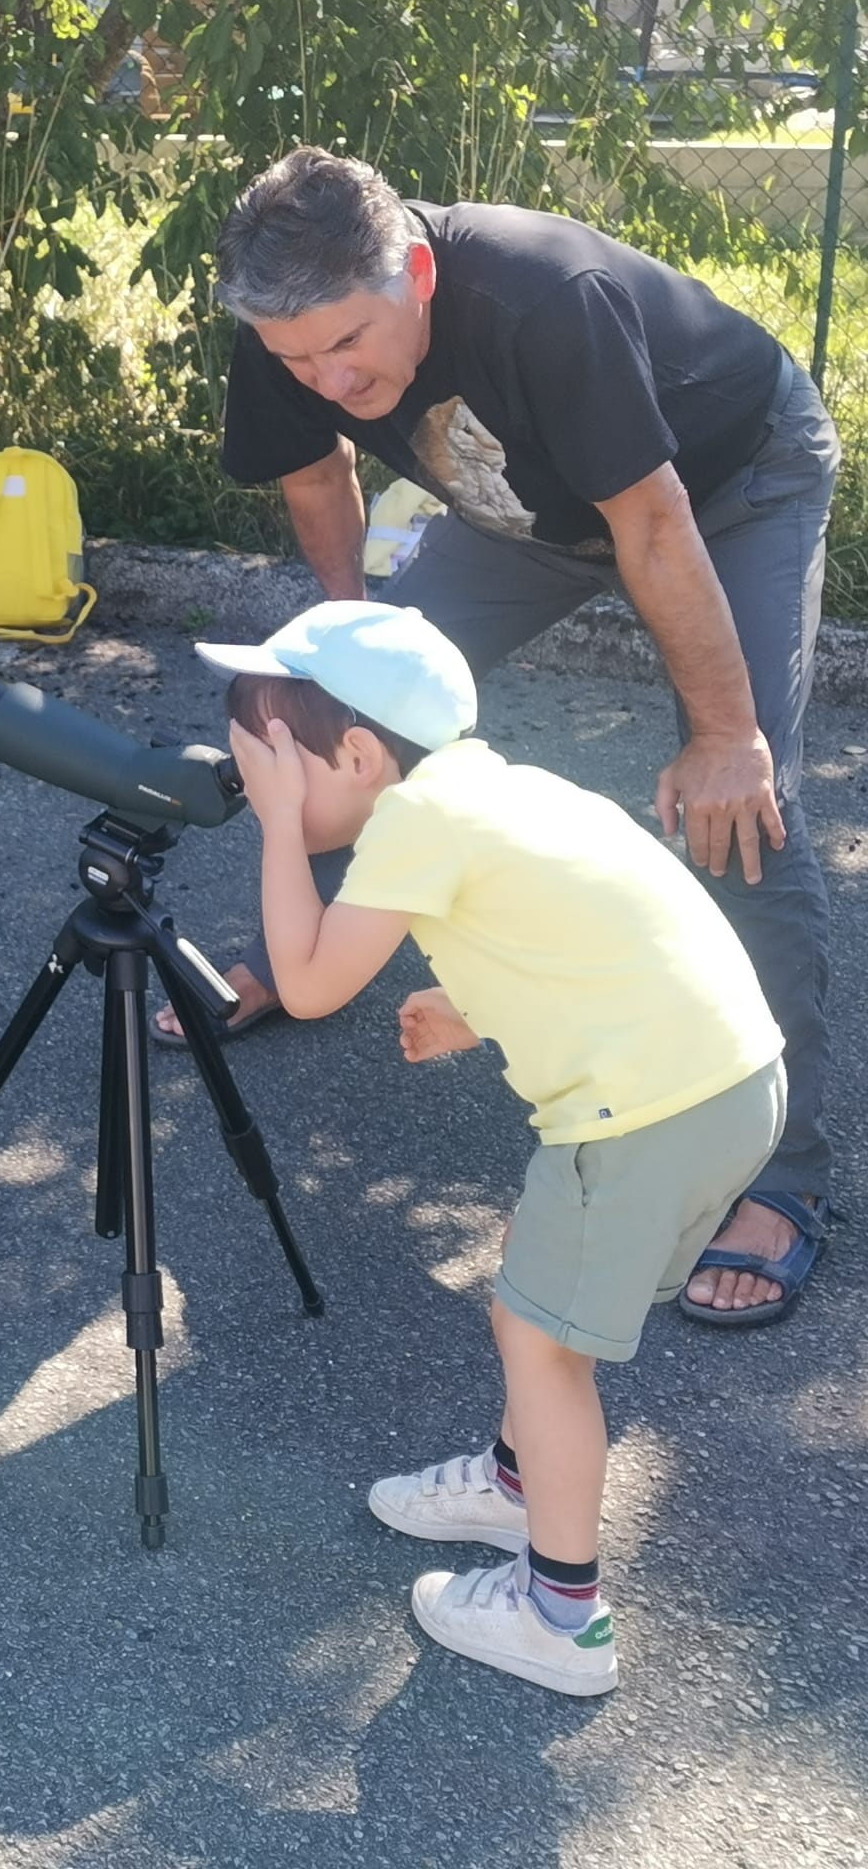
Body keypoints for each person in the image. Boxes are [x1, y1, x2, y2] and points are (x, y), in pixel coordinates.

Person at [156, 145, 837, 1330]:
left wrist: (721, 730)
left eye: (348, 345)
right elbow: (316, 482)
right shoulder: (289, 319)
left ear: (415, 271)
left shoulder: (537, 294)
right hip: (526, 511)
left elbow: (652, 520)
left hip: (723, 485)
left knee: (738, 803)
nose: (325, 377)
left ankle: (779, 1174)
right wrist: (344, 659)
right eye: (296, 360)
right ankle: (308, 943)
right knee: (339, 721)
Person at [198, 601, 784, 1694]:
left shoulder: (412, 822)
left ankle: (559, 1615)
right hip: (724, 1082)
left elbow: (311, 984)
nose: (258, 790)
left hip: (646, 1113)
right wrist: (469, 1009)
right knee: (530, 1285)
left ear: (361, 754)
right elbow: (582, 927)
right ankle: (516, 1486)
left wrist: (282, 829)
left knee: (541, 1346)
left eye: (275, 765)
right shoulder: (498, 789)